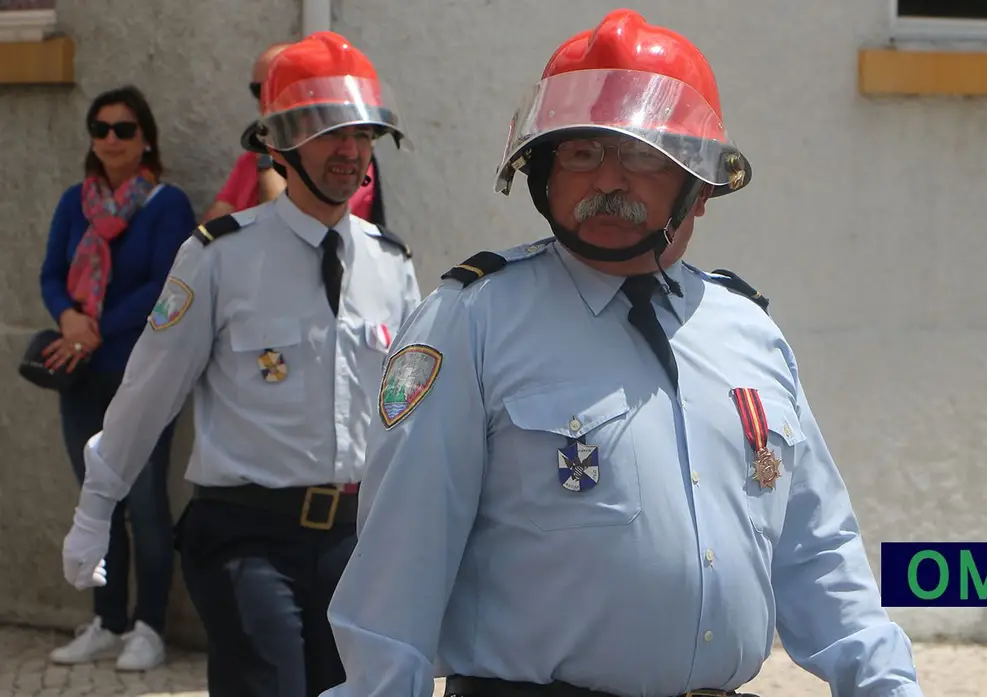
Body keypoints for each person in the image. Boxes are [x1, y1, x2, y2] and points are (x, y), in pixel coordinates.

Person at [323, 9, 924, 697]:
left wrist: (887, 685)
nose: (608, 179)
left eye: (640, 152)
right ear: (542, 173)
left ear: (699, 185)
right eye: (581, 152)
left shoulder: (749, 334)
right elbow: (396, 583)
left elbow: (819, 553)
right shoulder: (471, 321)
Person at [59, 31, 421, 697]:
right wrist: (96, 504)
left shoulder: (392, 263)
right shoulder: (219, 257)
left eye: (362, 133)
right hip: (245, 535)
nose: (349, 150)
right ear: (279, 143)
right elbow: (148, 391)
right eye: (328, 130)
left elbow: (407, 414)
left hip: (352, 541)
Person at [39, 84, 194, 671]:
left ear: (145, 137)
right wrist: (68, 318)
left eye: (123, 129)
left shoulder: (166, 205)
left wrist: (96, 327)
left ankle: (149, 626)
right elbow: (52, 274)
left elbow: (165, 284)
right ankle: (106, 620)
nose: (109, 139)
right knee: (95, 503)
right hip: (80, 373)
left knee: (146, 503)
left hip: (142, 376)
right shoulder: (73, 203)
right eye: (99, 128)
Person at [201, 41, 388, 226]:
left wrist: (269, 163)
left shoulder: (344, 159)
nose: (267, 98)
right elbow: (216, 221)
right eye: (259, 91)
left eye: (277, 88)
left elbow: (289, 227)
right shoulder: (250, 159)